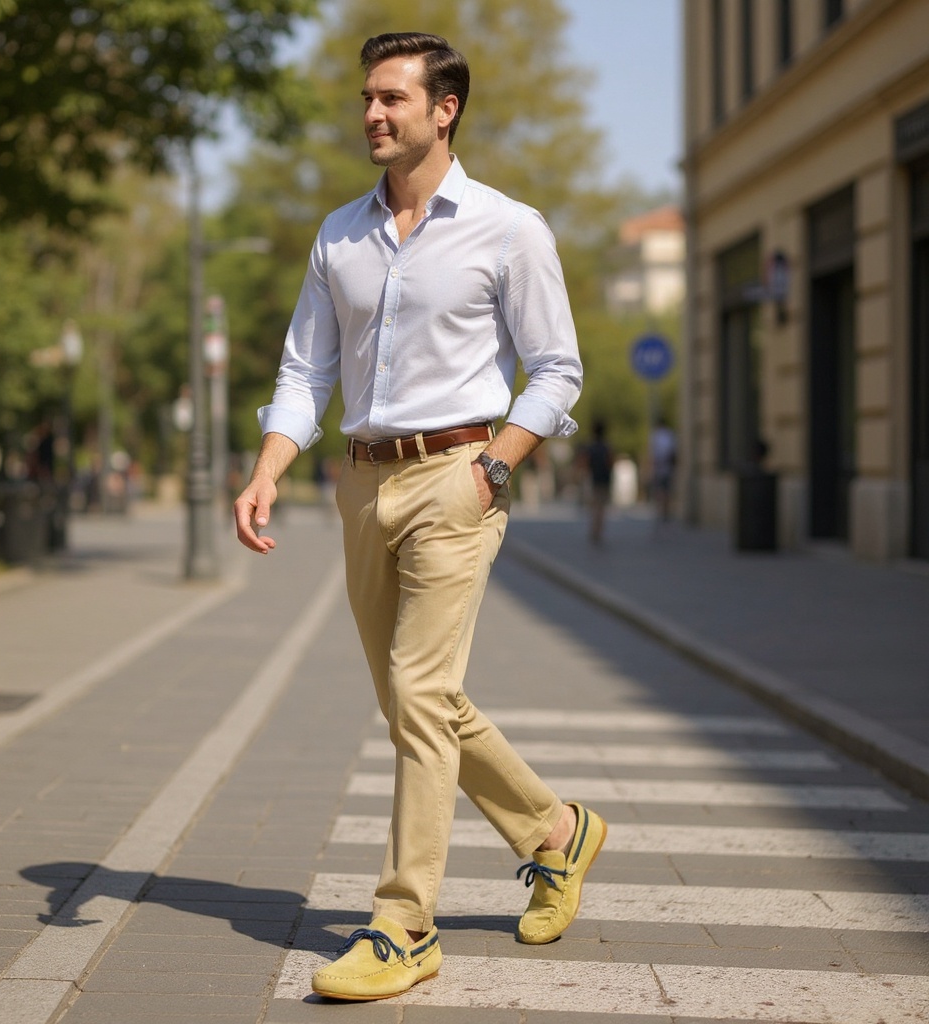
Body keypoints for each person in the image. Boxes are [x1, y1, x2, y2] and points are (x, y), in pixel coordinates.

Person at [233, 32, 607, 1002]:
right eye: (367, 96)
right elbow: (305, 370)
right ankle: (556, 832)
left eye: (391, 98)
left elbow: (556, 368)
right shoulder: (338, 235)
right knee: (414, 700)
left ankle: (404, 924)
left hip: (456, 477)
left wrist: (492, 468)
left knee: (417, 689)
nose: (371, 112)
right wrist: (268, 466)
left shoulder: (508, 228)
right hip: (362, 483)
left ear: (444, 111)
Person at [582, 420, 613, 545]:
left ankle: (594, 530)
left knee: (594, 507)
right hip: (604, 480)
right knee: (601, 508)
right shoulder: (606, 447)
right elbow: (610, 463)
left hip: (594, 479)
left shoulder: (591, 447)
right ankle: (598, 530)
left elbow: (585, 463)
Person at [649, 416, 677, 521]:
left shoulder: (656, 435)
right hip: (667, 467)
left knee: (660, 490)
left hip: (660, 467)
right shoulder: (670, 435)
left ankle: (661, 510)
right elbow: (673, 451)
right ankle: (666, 510)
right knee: (666, 490)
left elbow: (653, 452)